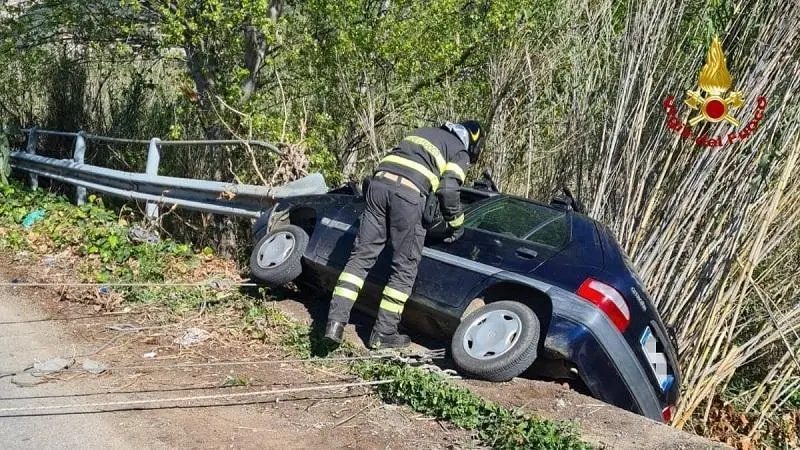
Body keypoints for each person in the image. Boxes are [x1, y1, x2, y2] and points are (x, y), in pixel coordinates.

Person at [324, 120, 485, 349]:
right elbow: (448, 190)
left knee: (361, 257)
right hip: (408, 195)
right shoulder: (459, 150)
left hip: (378, 188)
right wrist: (457, 224)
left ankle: (335, 323)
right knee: (404, 268)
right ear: (473, 141)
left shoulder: (423, 132)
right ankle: (384, 334)